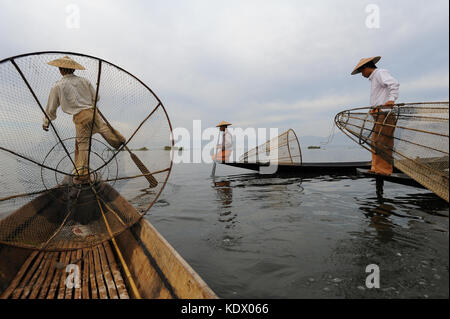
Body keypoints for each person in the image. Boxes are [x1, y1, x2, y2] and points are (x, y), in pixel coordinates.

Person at [44, 56, 126, 183]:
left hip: (80, 117)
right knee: (104, 128)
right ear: (73, 69)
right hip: (93, 112)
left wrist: (46, 121)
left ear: (61, 69)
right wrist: (87, 101)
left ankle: (82, 173)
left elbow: (51, 107)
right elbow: (96, 97)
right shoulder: (84, 81)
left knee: (82, 145)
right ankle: (119, 141)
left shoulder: (58, 86)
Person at [351, 56, 400, 175]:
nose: (362, 74)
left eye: (362, 71)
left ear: (366, 67)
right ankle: (376, 167)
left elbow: (394, 84)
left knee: (383, 142)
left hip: (384, 113)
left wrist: (391, 100)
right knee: (375, 142)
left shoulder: (379, 73)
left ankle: (383, 170)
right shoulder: (374, 79)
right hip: (377, 114)